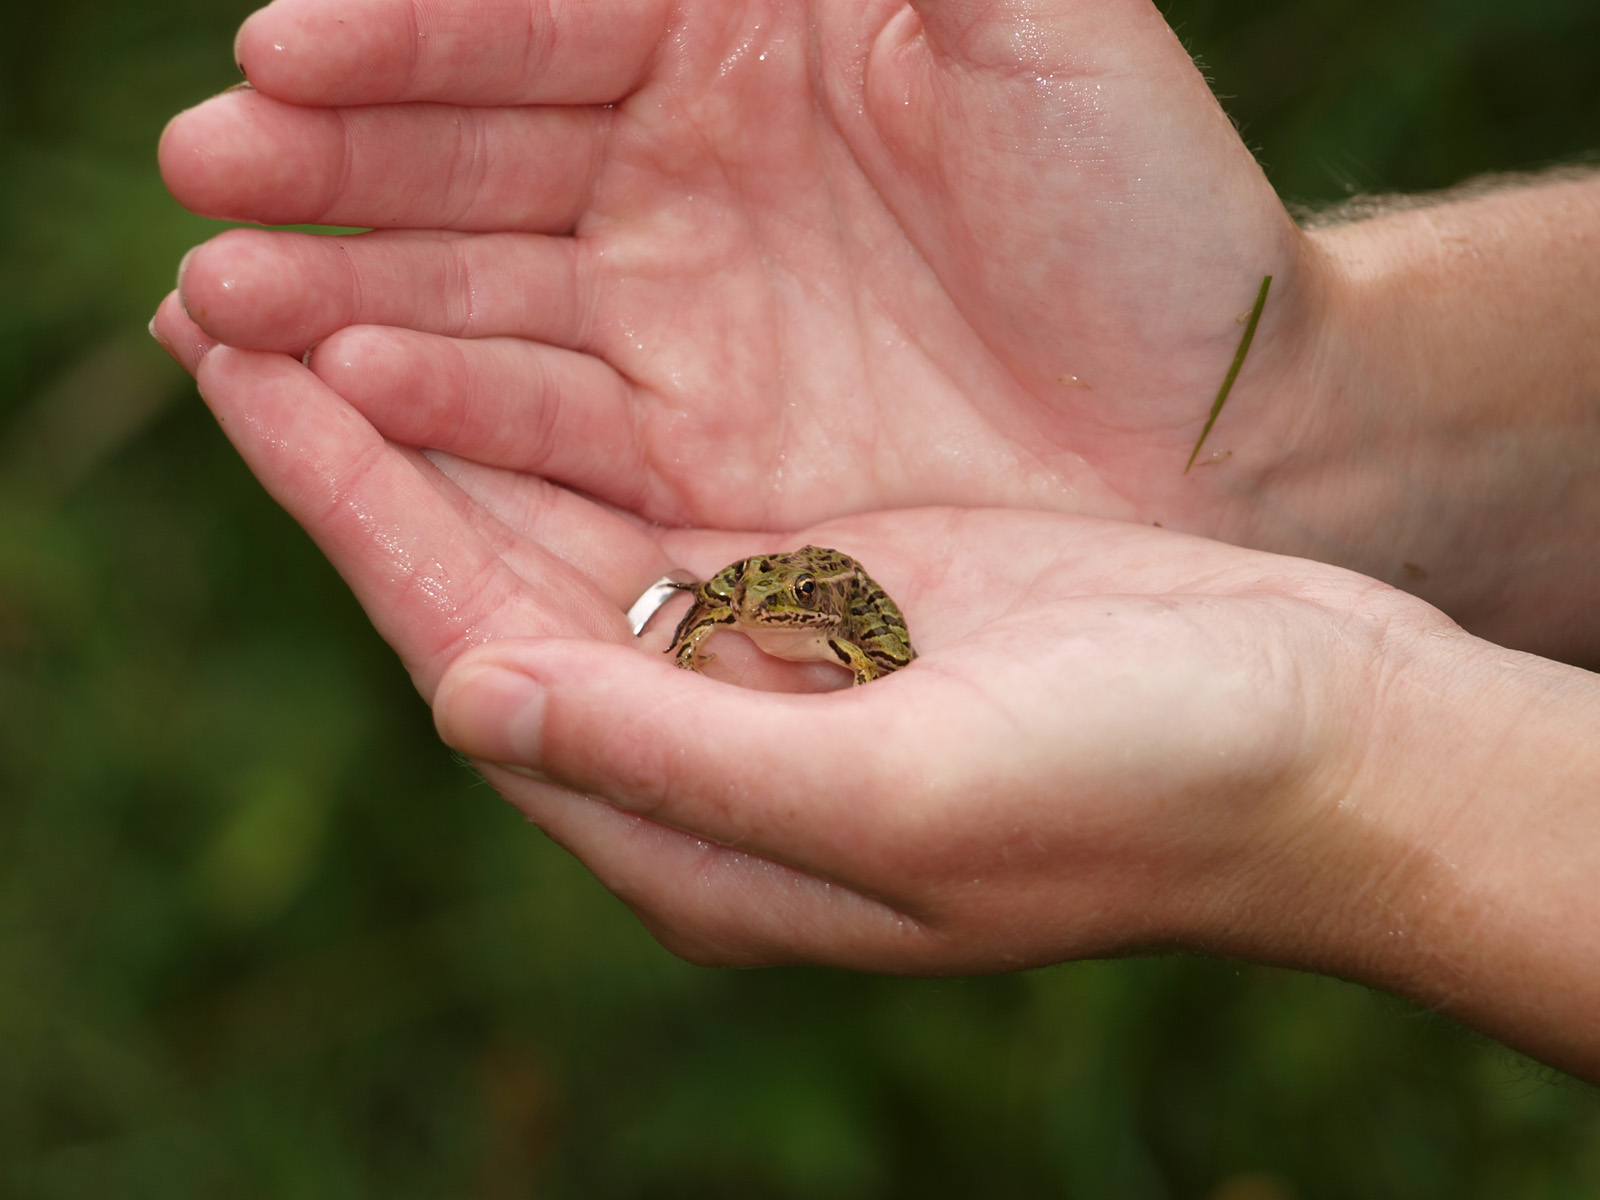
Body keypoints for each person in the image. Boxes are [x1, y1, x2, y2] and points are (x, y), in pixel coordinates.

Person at [150, 0, 1600, 1081]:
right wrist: (1308, 423)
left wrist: (1378, 768)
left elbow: (838, 614)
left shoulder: (829, 608)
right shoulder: (768, 585)